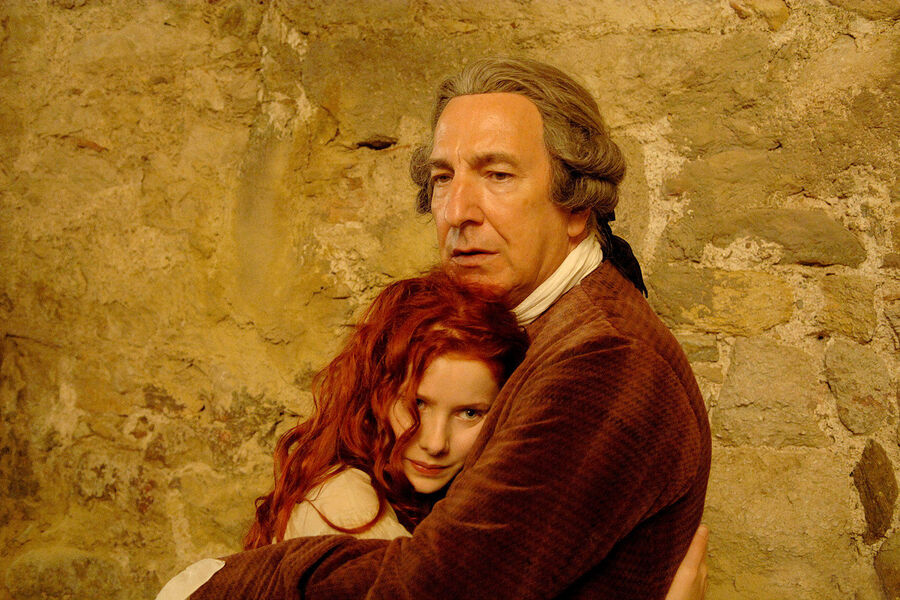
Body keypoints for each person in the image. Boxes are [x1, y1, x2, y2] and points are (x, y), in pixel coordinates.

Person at [188, 57, 711, 599]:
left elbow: (440, 589)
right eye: (443, 179)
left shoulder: (605, 360)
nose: (457, 211)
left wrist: (221, 582)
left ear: (577, 207)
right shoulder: (540, 325)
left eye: (498, 175)